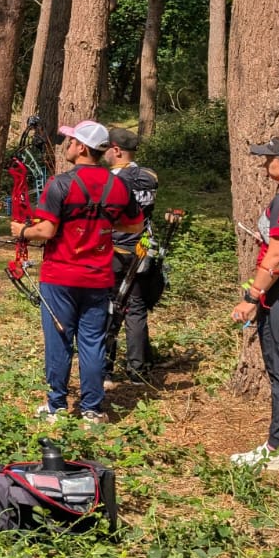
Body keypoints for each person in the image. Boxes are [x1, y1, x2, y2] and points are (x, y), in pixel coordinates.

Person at [11, 120, 144, 425]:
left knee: (59, 340)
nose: (67, 145)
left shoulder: (60, 184)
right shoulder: (119, 185)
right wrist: (102, 223)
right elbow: (135, 225)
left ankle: (56, 407)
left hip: (60, 277)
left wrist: (22, 232)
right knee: (93, 341)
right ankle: (92, 410)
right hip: (98, 277)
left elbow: (45, 231)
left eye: (70, 141)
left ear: (82, 147)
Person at [228, 136, 279, 471]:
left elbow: (278, 257)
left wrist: (252, 297)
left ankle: (278, 448)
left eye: (270, 158)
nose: (265, 164)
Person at [103, 126, 159, 380]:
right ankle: (138, 369)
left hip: (116, 252)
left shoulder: (111, 181)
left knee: (110, 307)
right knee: (135, 308)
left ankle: (105, 368)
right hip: (143, 250)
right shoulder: (149, 176)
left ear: (116, 150)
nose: (103, 153)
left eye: (106, 148)